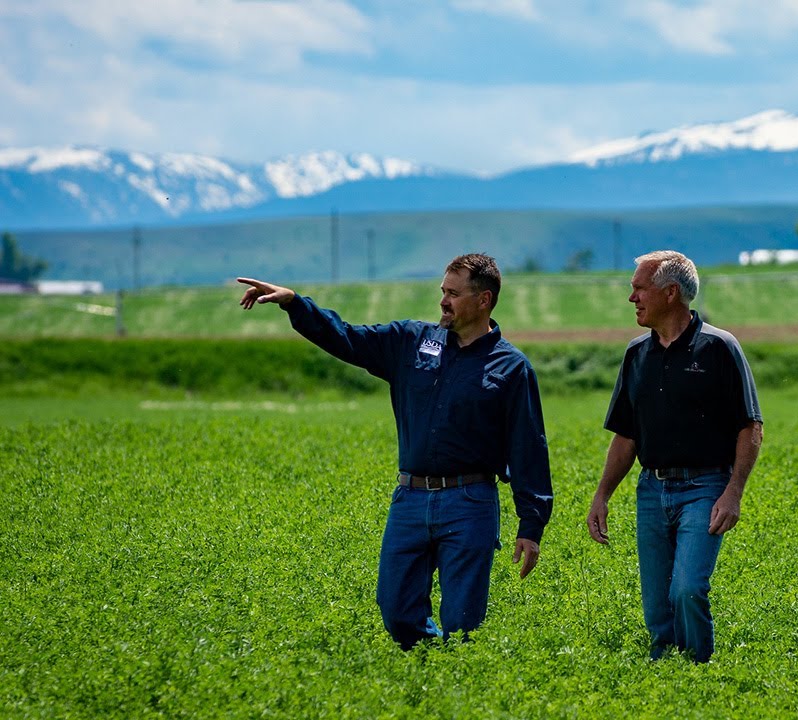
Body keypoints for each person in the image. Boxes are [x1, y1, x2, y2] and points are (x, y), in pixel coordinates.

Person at [236, 253, 552, 650]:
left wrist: (531, 525)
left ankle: (458, 689)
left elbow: (529, 449)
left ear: (484, 300)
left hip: (470, 502)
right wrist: (295, 304)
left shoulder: (511, 367)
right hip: (410, 499)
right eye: (443, 291)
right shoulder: (411, 342)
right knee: (397, 610)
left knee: (464, 621)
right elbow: (347, 338)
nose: (443, 301)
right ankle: (428, 666)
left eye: (453, 294)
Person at [587, 250, 763, 663]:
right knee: (656, 604)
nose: (632, 297)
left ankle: (699, 671)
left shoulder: (720, 348)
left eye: (639, 288)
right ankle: (666, 675)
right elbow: (626, 436)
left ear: (670, 293)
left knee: (686, 588)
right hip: (651, 489)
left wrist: (733, 492)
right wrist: (602, 496)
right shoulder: (636, 354)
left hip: (706, 487)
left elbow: (749, 427)